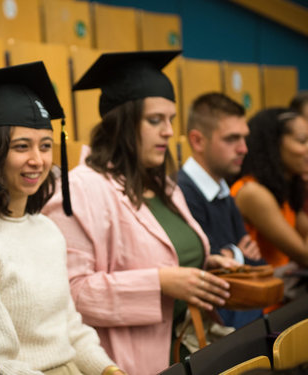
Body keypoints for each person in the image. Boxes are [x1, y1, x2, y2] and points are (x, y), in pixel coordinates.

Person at [42, 51, 238, 375]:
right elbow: (72, 294)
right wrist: (159, 283)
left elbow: (162, 253)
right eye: (155, 120)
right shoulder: (80, 189)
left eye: (171, 120)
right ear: (122, 123)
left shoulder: (165, 186)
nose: (168, 131)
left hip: (187, 347)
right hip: (125, 361)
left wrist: (199, 262)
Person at [0, 61, 126, 375]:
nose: (38, 160)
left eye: (46, 146)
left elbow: (71, 328)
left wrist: (107, 369)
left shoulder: (48, 230)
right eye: (22, 147)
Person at [177, 92, 264, 328]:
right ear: (197, 141)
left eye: (244, 138)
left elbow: (253, 263)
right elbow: (211, 271)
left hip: (245, 317)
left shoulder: (222, 186)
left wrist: (232, 254)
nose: (243, 148)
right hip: (218, 333)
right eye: (232, 139)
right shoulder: (180, 193)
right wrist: (238, 254)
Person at [231, 108, 308, 269]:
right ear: (274, 145)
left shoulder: (283, 187)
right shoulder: (252, 192)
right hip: (263, 286)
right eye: (302, 141)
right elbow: (304, 255)